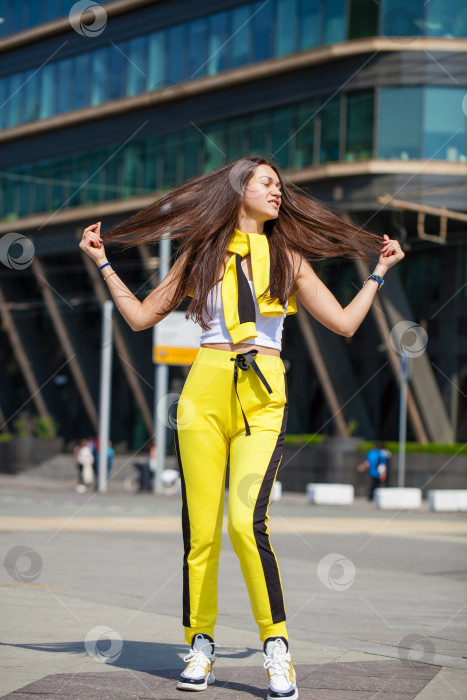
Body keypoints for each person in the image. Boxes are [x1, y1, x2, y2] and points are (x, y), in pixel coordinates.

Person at [79, 156, 404, 699]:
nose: (277, 191)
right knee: (200, 532)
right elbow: (140, 317)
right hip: (203, 391)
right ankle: (200, 643)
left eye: (279, 184)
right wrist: (103, 263)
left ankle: (276, 647)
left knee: (243, 524)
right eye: (266, 182)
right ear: (239, 190)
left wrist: (379, 273)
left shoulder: (289, 257)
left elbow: (346, 322)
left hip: (263, 393)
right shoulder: (201, 255)